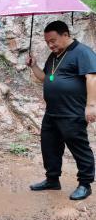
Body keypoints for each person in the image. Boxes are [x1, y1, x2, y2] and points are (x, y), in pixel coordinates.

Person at [27, 20, 96, 200]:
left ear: (65, 35)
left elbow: (92, 78)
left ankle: (85, 184)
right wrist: (33, 65)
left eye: (53, 40)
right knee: (49, 146)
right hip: (52, 112)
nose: (50, 45)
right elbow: (46, 78)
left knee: (79, 147)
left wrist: (91, 106)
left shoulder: (82, 52)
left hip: (72, 111)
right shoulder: (55, 56)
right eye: (47, 42)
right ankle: (52, 179)